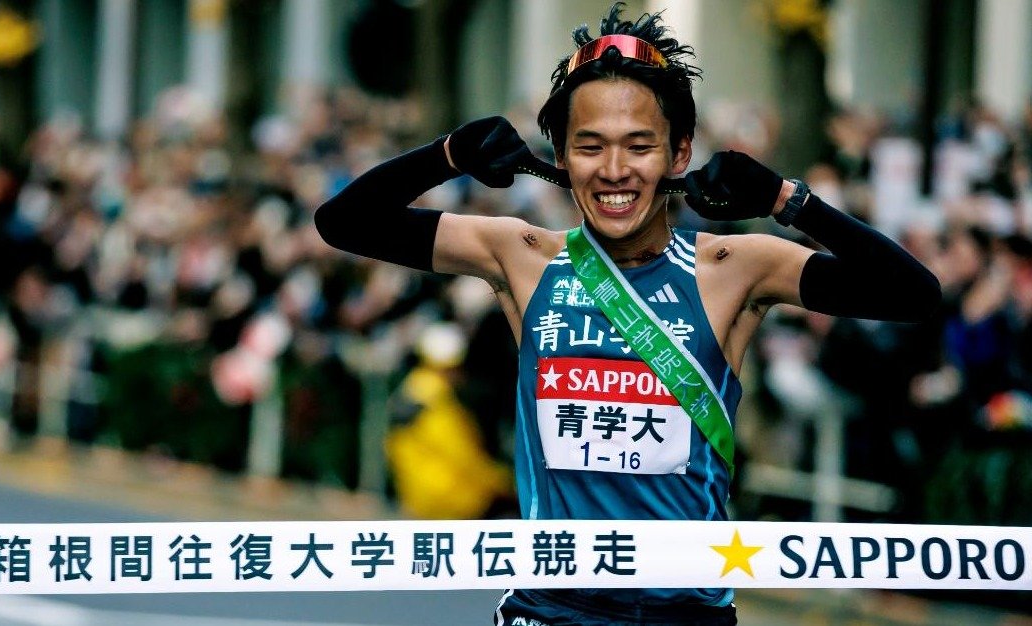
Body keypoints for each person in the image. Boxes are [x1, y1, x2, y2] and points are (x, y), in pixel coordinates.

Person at [316, 4, 940, 624]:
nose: (614, 172)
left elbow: (913, 294)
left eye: (639, 147)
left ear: (679, 154)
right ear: (561, 156)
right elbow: (344, 222)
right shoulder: (523, 255)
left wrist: (786, 200)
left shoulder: (733, 267)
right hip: (550, 611)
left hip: (685, 617)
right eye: (589, 147)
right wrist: (447, 154)